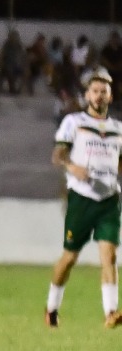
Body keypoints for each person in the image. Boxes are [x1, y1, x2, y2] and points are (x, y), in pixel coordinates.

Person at [45, 69, 122, 328]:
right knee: (69, 259)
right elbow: (57, 155)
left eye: (104, 92)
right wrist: (71, 166)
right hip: (82, 198)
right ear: (87, 95)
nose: (99, 96)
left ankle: (110, 312)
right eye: (95, 91)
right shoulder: (74, 122)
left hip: (109, 199)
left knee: (109, 256)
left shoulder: (118, 129)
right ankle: (51, 308)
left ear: (110, 97)